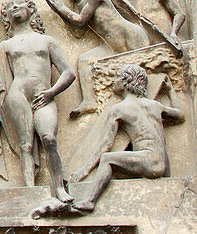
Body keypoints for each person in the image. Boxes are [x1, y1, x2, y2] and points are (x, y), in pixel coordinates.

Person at [0, 0, 76, 204]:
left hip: (44, 93)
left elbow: (68, 72)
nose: (14, 7)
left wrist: (52, 92)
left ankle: (58, 187)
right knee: (26, 145)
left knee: (49, 138)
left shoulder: (47, 41)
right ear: (5, 16)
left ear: (30, 8)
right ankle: (30, 191)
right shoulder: (7, 45)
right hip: (17, 94)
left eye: (18, 4)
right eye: (9, 6)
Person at [59, 64, 184, 215]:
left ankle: (90, 201)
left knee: (107, 159)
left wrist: (84, 170)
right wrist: (171, 91)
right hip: (163, 164)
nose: (114, 81)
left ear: (125, 82)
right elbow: (180, 115)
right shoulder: (154, 105)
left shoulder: (119, 109)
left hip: (149, 161)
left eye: (117, 77)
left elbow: (106, 144)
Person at [44, 0, 148, 117]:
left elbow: (80, 21)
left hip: (131, 38)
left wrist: (60, 8)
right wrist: (59, 12)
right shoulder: (77, 5)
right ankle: (89, 101)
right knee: (84, 61)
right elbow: (78, 33)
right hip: (111, 45)